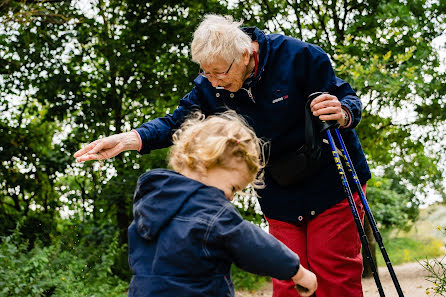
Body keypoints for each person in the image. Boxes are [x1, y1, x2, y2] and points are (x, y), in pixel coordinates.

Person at [74, 14, 371, 297]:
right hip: (279, 190)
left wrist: (343, 113)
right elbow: (175, 121)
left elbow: (345, 98)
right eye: (206, 72)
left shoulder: (300, 57)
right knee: (287, 282)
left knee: (333, 269)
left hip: (332, 180)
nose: (214, 81)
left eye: (219, 72)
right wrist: (130, 139)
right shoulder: (211, 87)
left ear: (245, 54)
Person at [127, 111, 317, 297]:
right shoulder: (211, 211)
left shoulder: (150, 204)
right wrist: (297, 272)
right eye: (233, 187)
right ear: (208, 162)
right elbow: (255, 247)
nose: (232, 198)